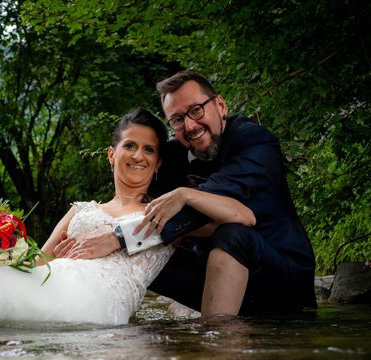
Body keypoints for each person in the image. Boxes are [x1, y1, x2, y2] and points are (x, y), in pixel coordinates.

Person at [0, 107, 254, 333]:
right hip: (52, 278)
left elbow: (243, 216)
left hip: (99, 299)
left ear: (158, 162)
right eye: (130, 145)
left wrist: (183, 194)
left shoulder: (164, 211)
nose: (138, 156)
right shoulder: (79, 210)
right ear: (112, 154)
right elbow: (39, 258)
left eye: (148, 150)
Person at [57, 71, 317, 318]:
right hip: (208, 274)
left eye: (196, 110)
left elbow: (219, 202)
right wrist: (91, 237)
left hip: (278, 278)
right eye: (178, 120)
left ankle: (214, 340)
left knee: (232, 232)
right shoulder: (171, 157)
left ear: (221, 106)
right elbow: (146, 206)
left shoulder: (254, 142)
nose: (190, 125)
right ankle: (112, 327)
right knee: (142, 254)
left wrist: (121, 236)